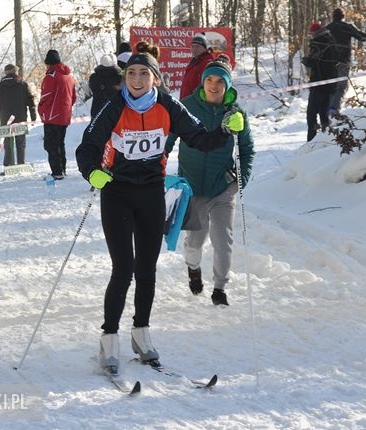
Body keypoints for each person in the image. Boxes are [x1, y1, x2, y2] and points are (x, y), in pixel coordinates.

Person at [75, 47, 244, 375]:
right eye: (132, 74)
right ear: (125, 77)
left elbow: (199, 137)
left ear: (155, 78)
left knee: (147, 269)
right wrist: (92, 171)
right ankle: (109, 338)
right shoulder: (114, 106)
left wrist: (226, 129)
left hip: (152, 193)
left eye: (144, 74)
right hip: (117, 192)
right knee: (123, 268)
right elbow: (88, 146)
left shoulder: (168, 105)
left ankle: (141, 333)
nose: (137, 79)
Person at [166, 55, 255, 306]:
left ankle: (220, 289)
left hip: (221, 187)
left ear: (227, 86)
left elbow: (247, 149)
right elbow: (168, 140)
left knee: (222, 239)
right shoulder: (185, 107)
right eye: (210, 80)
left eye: (220, 81)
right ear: (203, 82)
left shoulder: (235, 113)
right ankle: (193, 269)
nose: (214, 85)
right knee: (195, 242)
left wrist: (242, 178)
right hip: (192, 186)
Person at [325, 8, 366, 114]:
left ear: (333, 17)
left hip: (329, 62)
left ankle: (329, 109)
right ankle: (334, 110)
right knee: (341, 86)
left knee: (332, 86)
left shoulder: (327, 29)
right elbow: (362, 37)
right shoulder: (347, 27)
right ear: (342, 17)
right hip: (343, 61)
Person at [38, 49, 76, 180]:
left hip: (52, 117)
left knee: (51, 145)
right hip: (64, 116)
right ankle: (62, 169)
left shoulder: (51, 77)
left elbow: (46, 96)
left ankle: (57, 172)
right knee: (60, 143)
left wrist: (41, 110)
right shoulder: (69, 77)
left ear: (49, 64)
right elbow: (74, 97)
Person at [0, 64, 37, 167]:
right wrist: (33, 116)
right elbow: (31, 102)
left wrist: (3, 103)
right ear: (16, 72)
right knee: (20, 144)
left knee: (8, 144)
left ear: (5, 73)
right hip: (21, 118)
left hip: (5, 119)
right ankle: (21, 164)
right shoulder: (23, 85)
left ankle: (8, 165)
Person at [303, 22, 340, 142]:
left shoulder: (318, 44)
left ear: (314, 33)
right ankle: (326, 140)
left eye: (311, 34)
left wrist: (306, 60)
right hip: (330, 85)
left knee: (311, 115)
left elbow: (313, 61)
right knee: (324, 114)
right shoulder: (332, 41)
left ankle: (311, 141)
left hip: (318, 84)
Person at [179, 33, 216, 100]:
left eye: (198, 46)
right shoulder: (194, 62)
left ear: (205, 48)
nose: (194, 49)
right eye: (193, 46)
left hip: (196, 105)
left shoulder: (207, 63)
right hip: (186, 103)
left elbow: (205, 88)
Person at [88, 54, 122, 119]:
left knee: (96, 128)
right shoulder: (120, 77)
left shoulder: (94, 77)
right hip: (115, 111)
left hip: (97, 110)